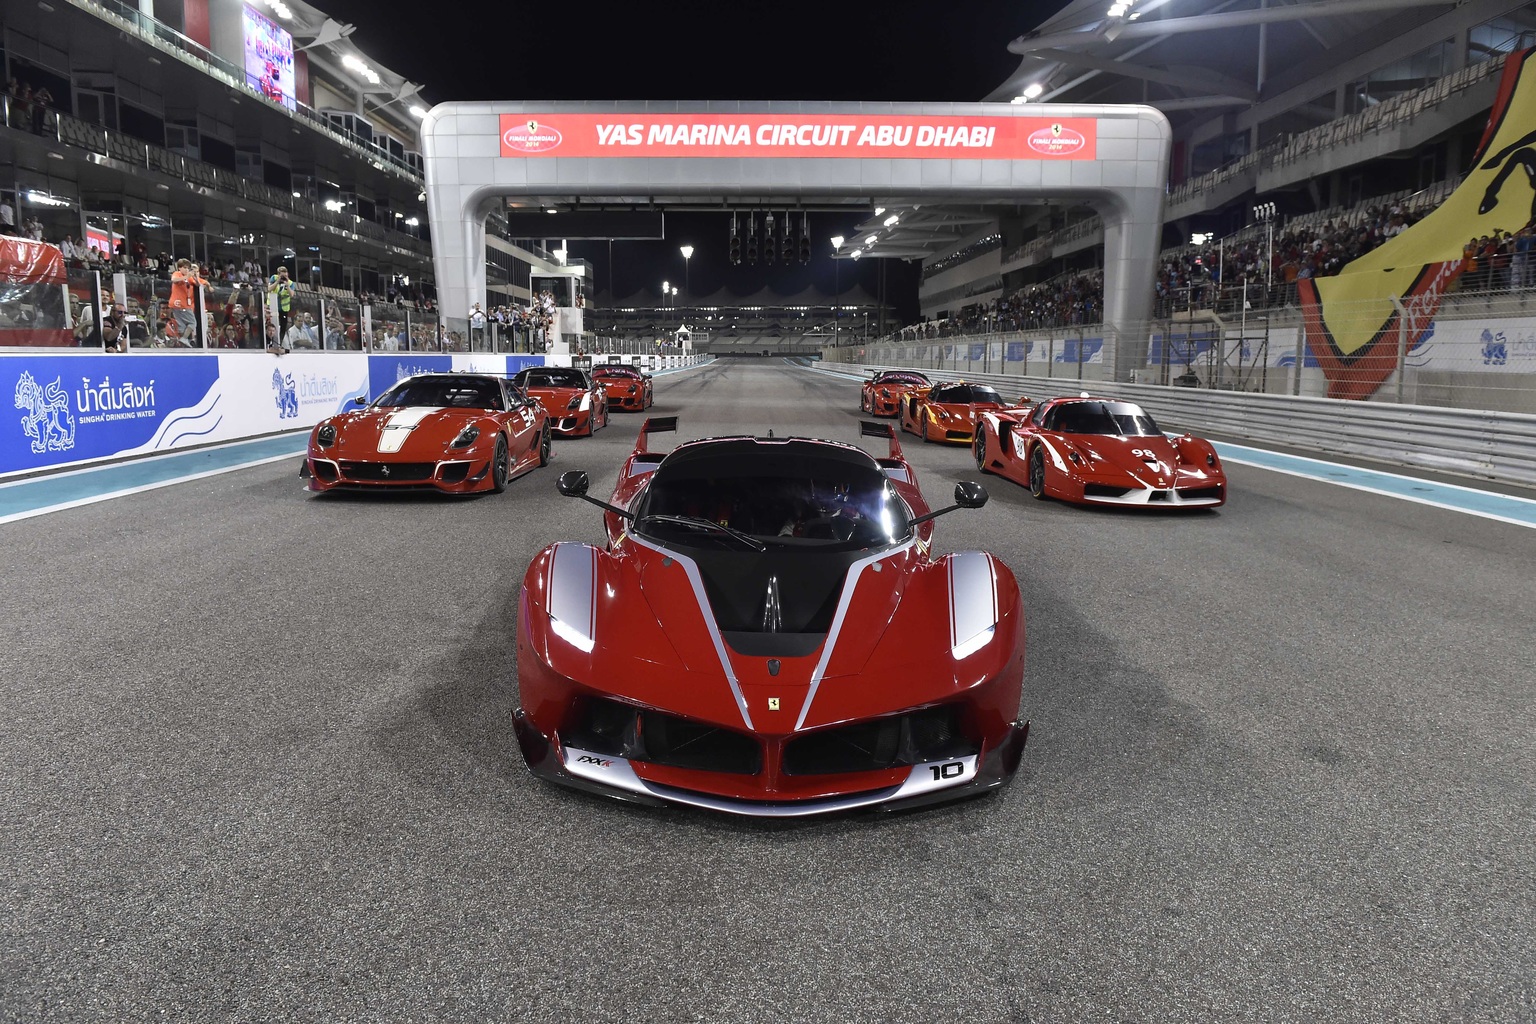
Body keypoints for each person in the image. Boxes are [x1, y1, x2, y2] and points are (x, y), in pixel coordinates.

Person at [268, 266, 294, 340]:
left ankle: (280, 342)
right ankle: (271, 341)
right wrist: (277, 282)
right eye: (282, 276)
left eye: (285, 276)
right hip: (273, 307)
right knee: (272, 326)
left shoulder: (290, 283)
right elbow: (269, 289)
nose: (284, 277)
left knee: (283, 327)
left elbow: (292, 294)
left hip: (283, 309)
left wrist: (287, 286)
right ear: (278, 275)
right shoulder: (274, 278)